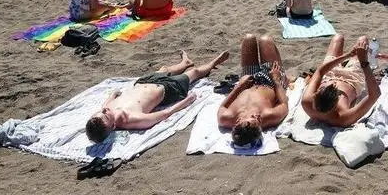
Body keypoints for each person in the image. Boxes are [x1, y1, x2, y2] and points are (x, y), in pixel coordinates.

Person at [86, 50, 229, 143]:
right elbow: (165, 114)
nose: (104, 110)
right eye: (105, 115)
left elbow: (104, 107)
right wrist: (187, 101)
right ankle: (213, 63)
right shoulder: (131, 119)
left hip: (143, 82)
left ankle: (184, 63)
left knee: (164, 69)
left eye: (100, 113)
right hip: (166, 89)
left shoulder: (104, 112)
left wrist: (112, 95)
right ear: (113, 126)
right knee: (195, 72)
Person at [217, 34, 289, 147]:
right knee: (265, 40)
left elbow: (223, 107)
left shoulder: (226, 118)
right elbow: (283, 103)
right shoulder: (269, 116)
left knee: (248, 38)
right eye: (259, 122)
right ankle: (285, 76)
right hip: (269, 82)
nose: (258, 117)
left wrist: (239, 86)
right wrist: (276, 79)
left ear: (237, 122)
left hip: (247, 80)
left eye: (253, 118)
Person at [301, 35, 381, 127]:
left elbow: (320, 71)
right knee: (363, 40)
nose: (314, 93)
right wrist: (364, 61)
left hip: (329, 74)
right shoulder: (343, 117)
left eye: (319, 89)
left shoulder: (307, 103)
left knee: (338, 38)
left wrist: (347, 55)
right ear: (336, 101)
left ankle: (346, 59)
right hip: (352, 79)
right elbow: (375, 94)